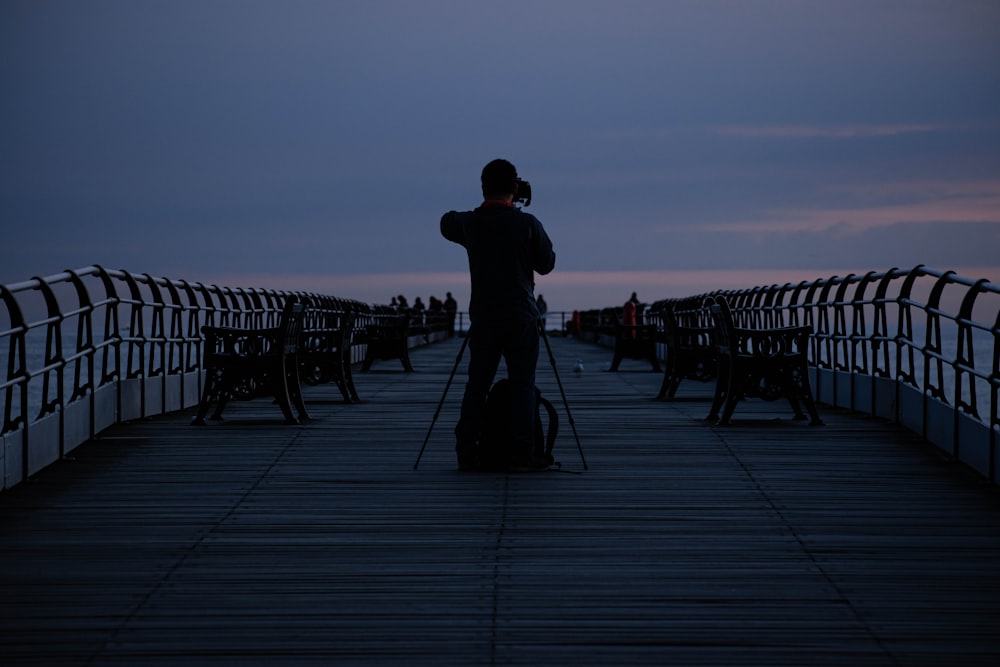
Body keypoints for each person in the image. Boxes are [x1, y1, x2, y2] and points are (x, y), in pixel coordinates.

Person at [440, 158, 556, 472]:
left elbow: (445, 222)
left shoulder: (470, 223)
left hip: (484, 318)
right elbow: (547, 264)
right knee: (522, 385)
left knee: (477, 385)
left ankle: (467, 450)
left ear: (483, 187)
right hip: (521, 316)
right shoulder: (528, 224)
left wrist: (480, 214)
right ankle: (521, 452)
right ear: (515, 189)